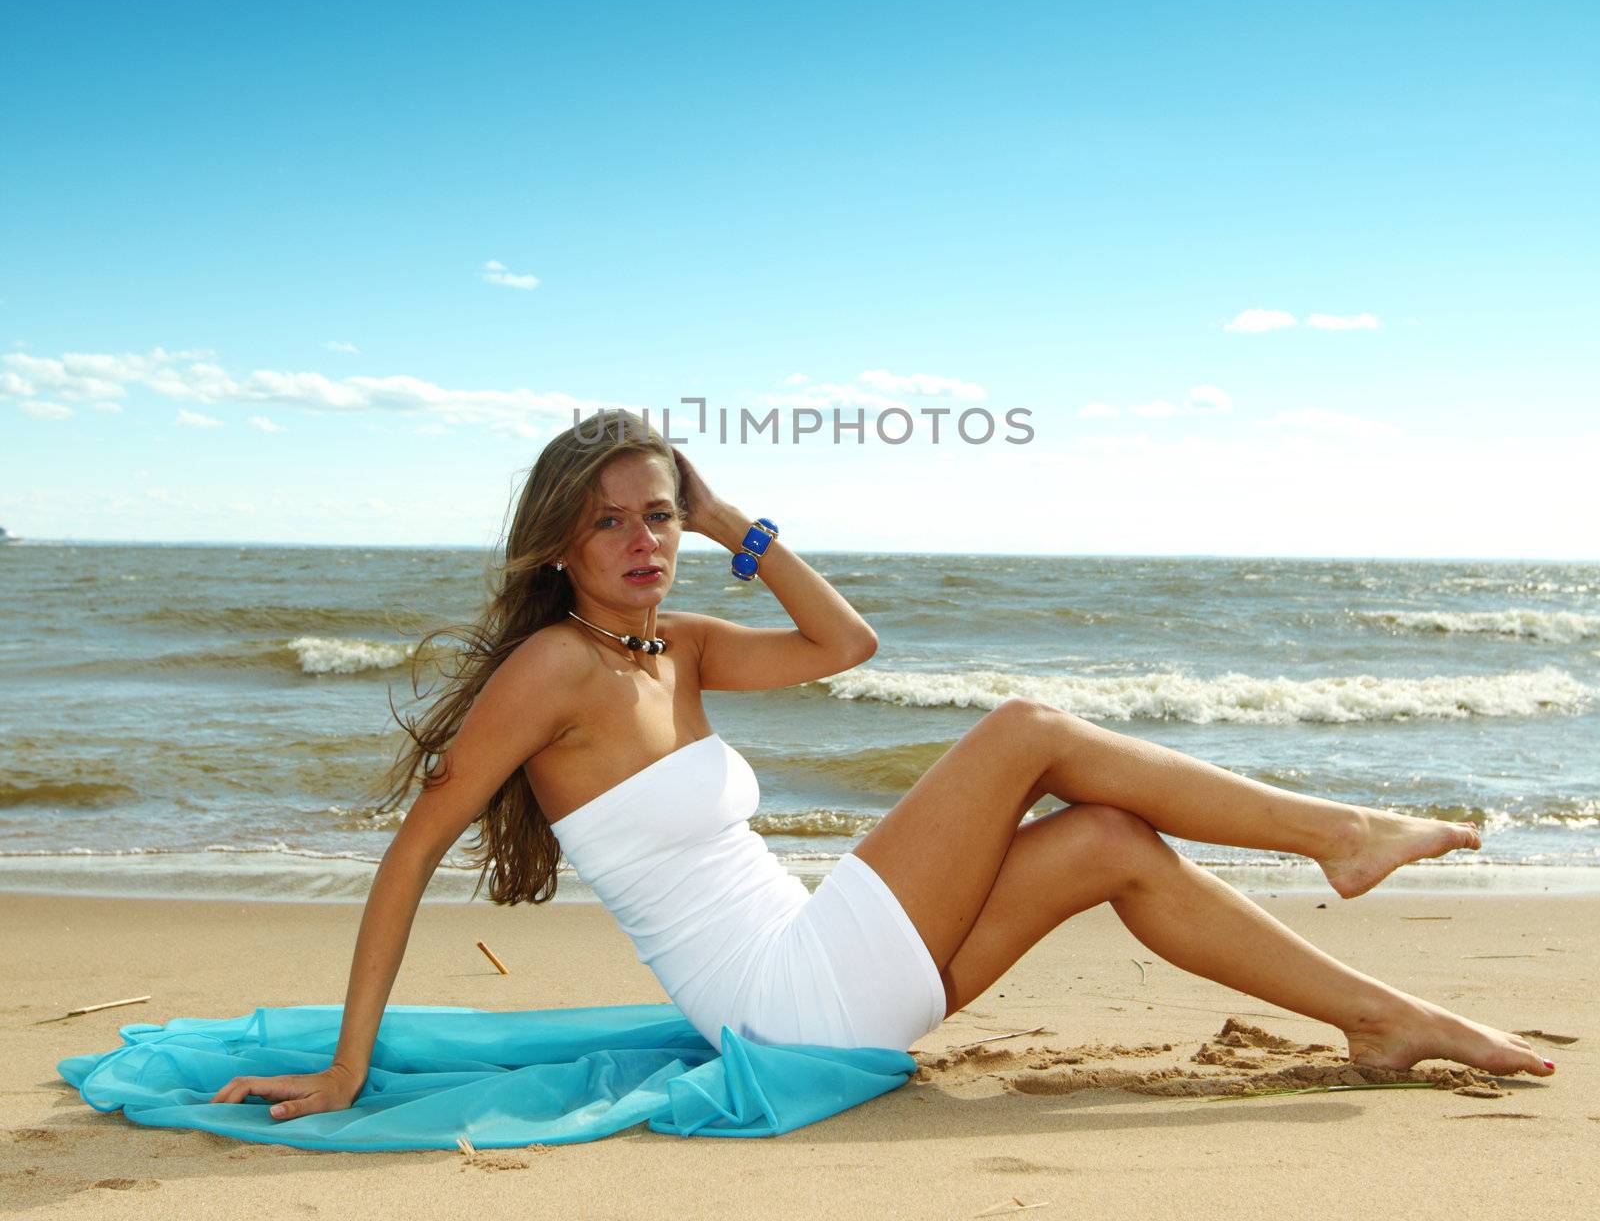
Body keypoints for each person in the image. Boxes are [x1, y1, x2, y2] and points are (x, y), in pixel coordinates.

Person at [211, 409, 1555, 1122]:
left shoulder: (671, 645)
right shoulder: (555, 667)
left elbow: (843, 643)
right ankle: (1334, 831)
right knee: (1028, 731)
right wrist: (346, 1063)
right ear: (559, 544)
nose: (639, 541)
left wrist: (741, 523)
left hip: (819, 975)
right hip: (787, 1004)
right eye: (608, 522)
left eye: (658, 517)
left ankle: (1384, 1017)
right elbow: (415, 844)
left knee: (1107, 846)